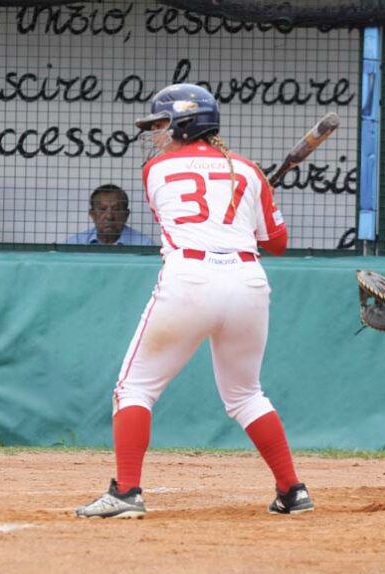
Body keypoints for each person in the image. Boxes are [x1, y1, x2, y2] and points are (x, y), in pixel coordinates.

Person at [76, 83, 312, 518]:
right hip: (247, 282)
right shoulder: (247, 171)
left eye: (162, 124)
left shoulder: (155, 170)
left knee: (134, 388)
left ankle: (127, 492)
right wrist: (257, 193)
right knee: (245, 394)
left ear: (186, 122)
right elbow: (275, 242)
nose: (155, 133)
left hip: (191, 279)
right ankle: (292, 490)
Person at [65, 185, 154, 246]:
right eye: (102, 209)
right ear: (92, 214)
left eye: (116, 209)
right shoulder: (75, 243)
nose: (109, 216)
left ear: (126, 215)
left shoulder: (144, 244)